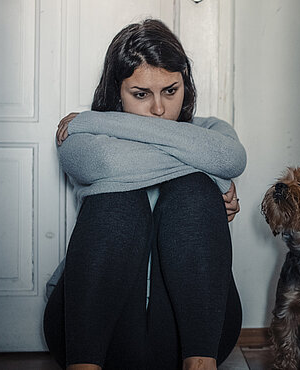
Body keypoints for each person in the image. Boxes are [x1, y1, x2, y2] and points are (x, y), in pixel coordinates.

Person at [43, 19, 246, 370]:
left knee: (192, 191)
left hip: (193, 333)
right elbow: (104, 162)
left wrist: (99, 121)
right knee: (118, 199)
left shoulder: (211, 129)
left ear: (186, 84)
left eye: (171, 90)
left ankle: (200, 364)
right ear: (115, 91)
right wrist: (212, 174)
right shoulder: (80, 135)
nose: (158, 110)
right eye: (140, 94)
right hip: (94, 333)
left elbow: (231, 158)